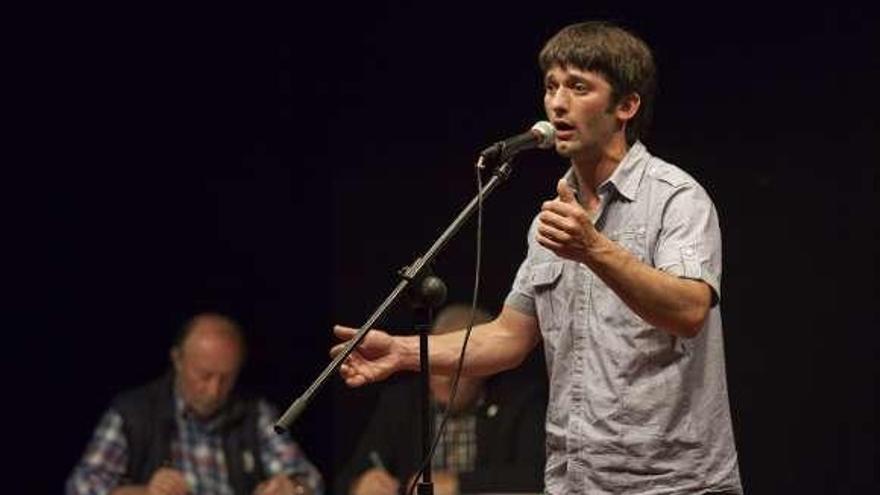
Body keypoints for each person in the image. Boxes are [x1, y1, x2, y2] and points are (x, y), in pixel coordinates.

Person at [332, 21, 743, 495]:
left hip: (671, 483)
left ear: (626, 106)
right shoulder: (552, 218)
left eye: (578, 87)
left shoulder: (676, 198)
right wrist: (406, 352)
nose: (557, 102)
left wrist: (594, 250)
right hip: (575, 480)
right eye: (551, 86)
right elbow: (509, 336)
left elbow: (689, 311)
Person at [67, 312, 324, 495]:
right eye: (204, 375)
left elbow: (309, 479)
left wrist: (293, 488)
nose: (214, 390)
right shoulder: (134, 411)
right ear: (178, 360)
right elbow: (82, 485)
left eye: (226, 378)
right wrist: (145, 492)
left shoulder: (254, 413)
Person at [335, 304, 547, 495]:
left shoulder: (520, 401)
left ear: (487, 366)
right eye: (437, 365)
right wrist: (361, 484)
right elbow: (348, 476)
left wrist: (460, 485)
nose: (444, 378)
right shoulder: (401, 402)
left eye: (456, 366)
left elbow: (539, 477)